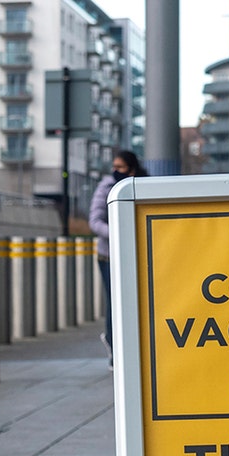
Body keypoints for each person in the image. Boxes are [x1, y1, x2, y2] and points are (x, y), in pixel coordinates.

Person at [87, 150, 146, 370]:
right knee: (115, 302)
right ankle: (114, 346)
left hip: (136, 252)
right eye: (114, 166)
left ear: (131, 168)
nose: (115, 171)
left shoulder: (143, 184)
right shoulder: (106, 187)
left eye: (120, 167)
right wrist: (120, 231)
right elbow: (94, 221)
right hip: (109, 255)